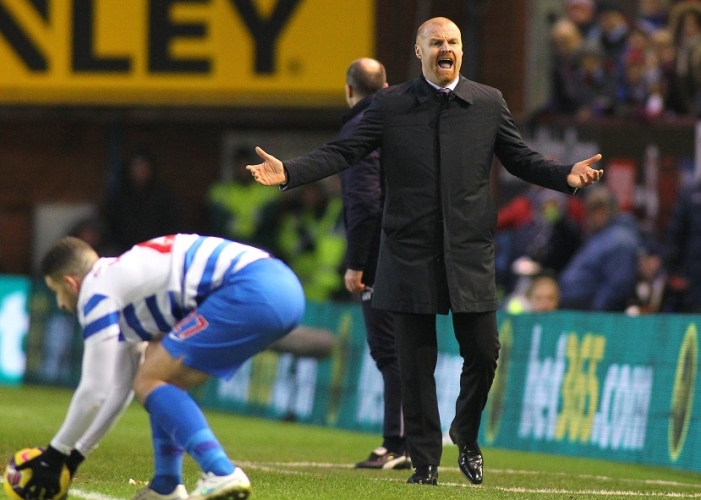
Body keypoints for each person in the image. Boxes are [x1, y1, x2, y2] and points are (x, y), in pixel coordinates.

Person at [247, 16, 604, 486]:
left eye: (452, 41)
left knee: (484, 352)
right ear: (419, 52)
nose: (445, 48)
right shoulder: (390, 105)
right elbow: (344, 151)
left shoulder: (488, 102)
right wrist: (290, 172)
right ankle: (425, 462)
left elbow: (520, 158)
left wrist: (565, 176)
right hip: (408, 253)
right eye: (436, 42)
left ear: (461, 50)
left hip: (468, 253)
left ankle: (466, 433)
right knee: (415, 365)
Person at [18, 234, 305, 500]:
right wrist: (75, 456)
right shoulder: (120, 283)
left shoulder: (96, 292)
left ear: (71, 283)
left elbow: (95, 389)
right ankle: (166, 484)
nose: (60, 303)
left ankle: (220, 471)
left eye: (56, 291)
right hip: (279, 284)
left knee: (152, 379)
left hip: (253, 287)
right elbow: (119, 390)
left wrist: (54, 455)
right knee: (157, 368)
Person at [338, 58, 408, 469]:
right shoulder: (403, 124)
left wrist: (357, 263)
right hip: (413, 247)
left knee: (389, 350)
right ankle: (409, 441)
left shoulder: (361, 128)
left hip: (382, 255)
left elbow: (364, 202)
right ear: (385, 86)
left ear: (349, 90)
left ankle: (398, 444)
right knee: (406, 347)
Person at [558, 186, 641, 311]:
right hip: (573, 303)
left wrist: (596, 311)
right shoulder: (600, 236)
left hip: (587, 310)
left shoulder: (619, 240)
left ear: (602, 211)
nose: (587, 218)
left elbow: (618, 284)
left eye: (590, 212)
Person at [102, 150, 184, 254]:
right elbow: (112, 226)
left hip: (157, 251)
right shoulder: (120, 196)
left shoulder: (163, 195)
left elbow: (172, 226)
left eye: (143, 166)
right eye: (136, 166)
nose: (140, 170)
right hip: (126, 251)